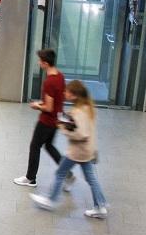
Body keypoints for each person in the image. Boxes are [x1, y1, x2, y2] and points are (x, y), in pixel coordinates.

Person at [30, 80, 108, 219]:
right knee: (91, 178)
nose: (64, 93)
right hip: (87, 151)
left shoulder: (79, 111)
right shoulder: (87, 108)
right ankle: (100, 205)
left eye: (67, 92)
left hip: (78, 151)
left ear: (74, 95)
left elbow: (81, 134)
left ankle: (50, 200)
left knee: (60, 172)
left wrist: (64, 129)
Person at [14, 49, 74, 187]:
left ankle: (30, 178)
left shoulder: (49, 82)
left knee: (35, 146)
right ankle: (68, 174)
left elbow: (49, 107)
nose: (39, 62)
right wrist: (44, 103)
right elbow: (58, 99)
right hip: (56, 120)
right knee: (49, 146)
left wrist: (37, 105)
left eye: (40, 61)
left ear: (46, 63)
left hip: (46, 121)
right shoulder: (60, 76)